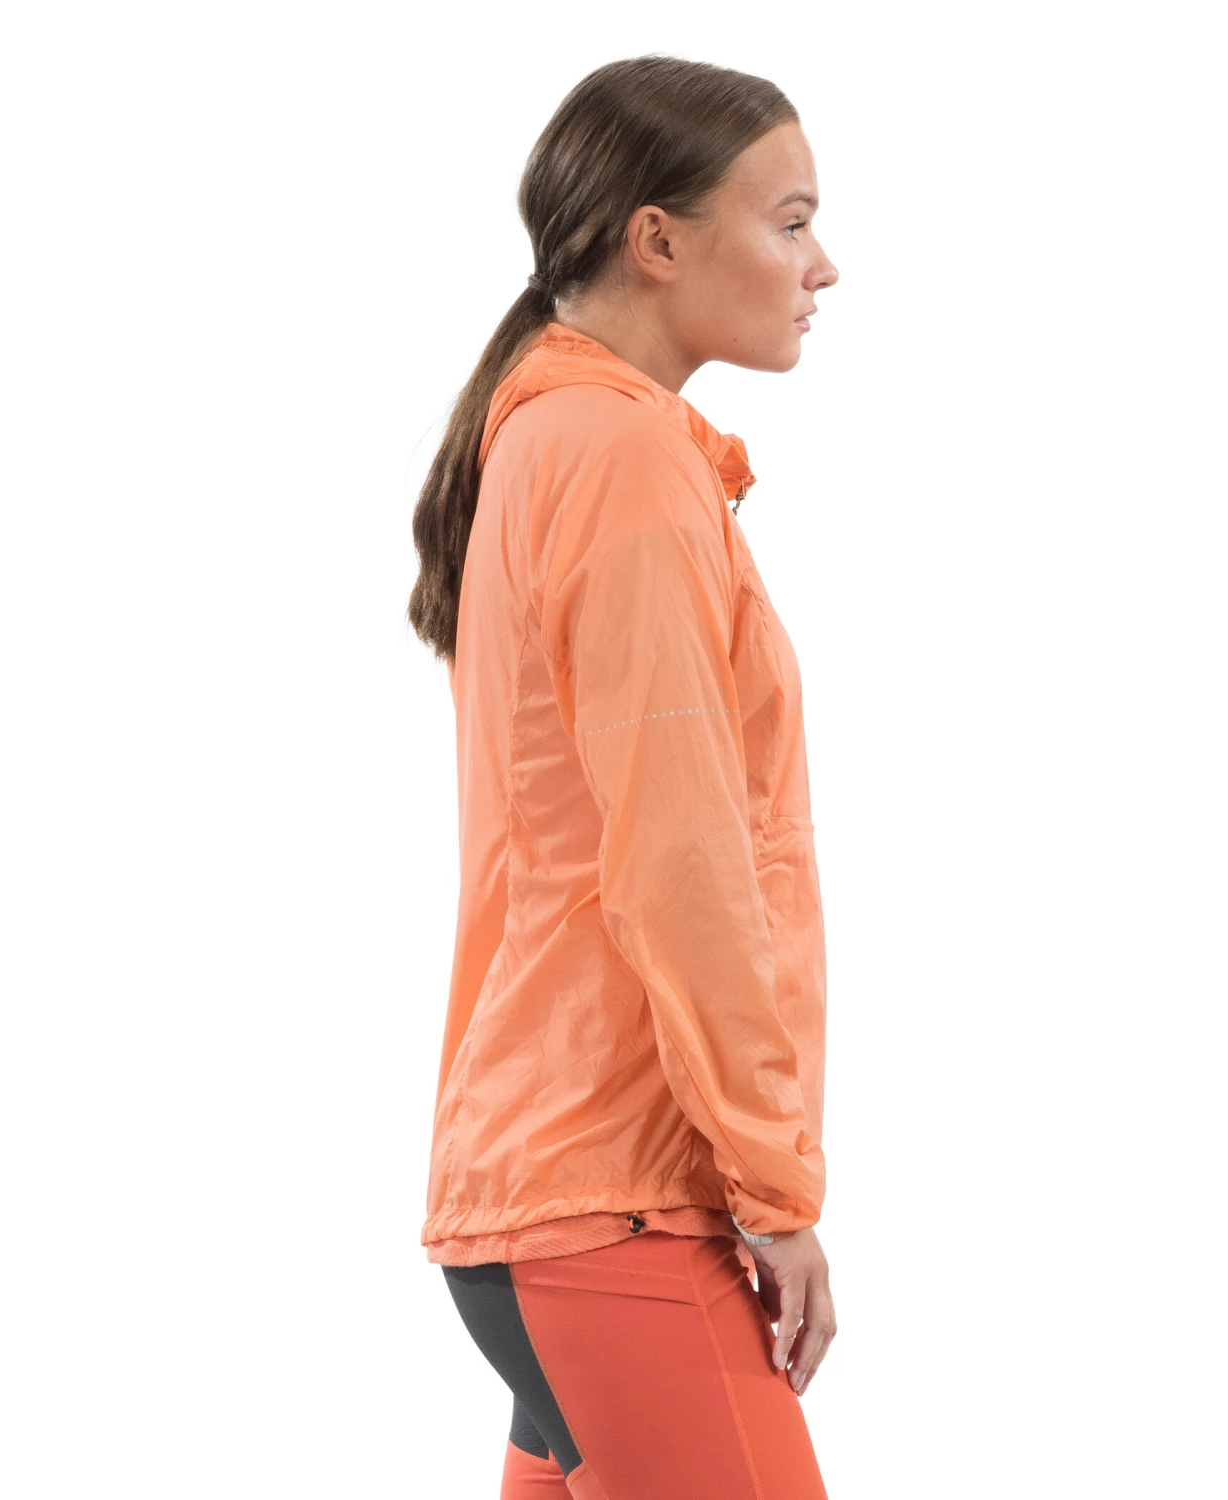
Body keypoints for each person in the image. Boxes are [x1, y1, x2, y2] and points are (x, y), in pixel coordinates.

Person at [407, 54, 840, 1500]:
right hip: (620, 1209)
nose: (823, 266)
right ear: (657, 238)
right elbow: (682, 863)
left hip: (550, 1200)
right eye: (790, 222)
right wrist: (775, 1189)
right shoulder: (618, 457)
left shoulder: (552, 437)